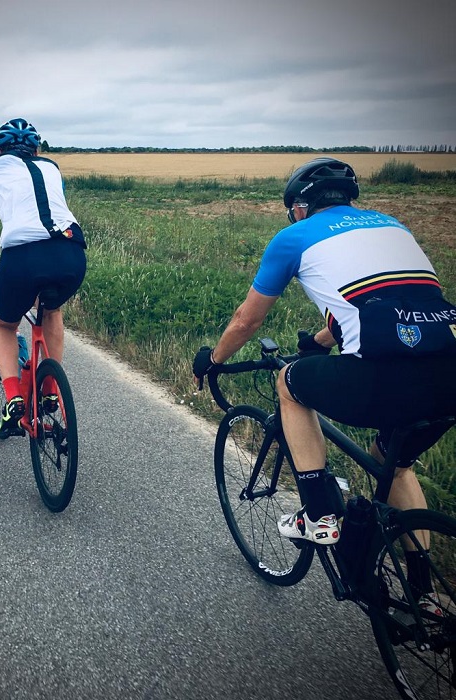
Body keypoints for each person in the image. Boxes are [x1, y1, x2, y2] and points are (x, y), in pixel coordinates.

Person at [192, 157, 456, 556]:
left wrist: (213, 360)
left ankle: (318, 516)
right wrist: (320, 341)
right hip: (448, 371)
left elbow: (247, 321)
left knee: (289, 383)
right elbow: (384, 301)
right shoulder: (393, 226)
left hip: (383, 375)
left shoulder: (294, 236)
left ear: (300, 207)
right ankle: (422, 584)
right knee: (393, 464)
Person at [0, 117, 87, 434]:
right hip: (71, 252)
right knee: (51, 310)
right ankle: (50, 390)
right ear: (37, 150)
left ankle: (14, 397)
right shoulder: (51, 167)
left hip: (23, 255)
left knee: (3, 324)